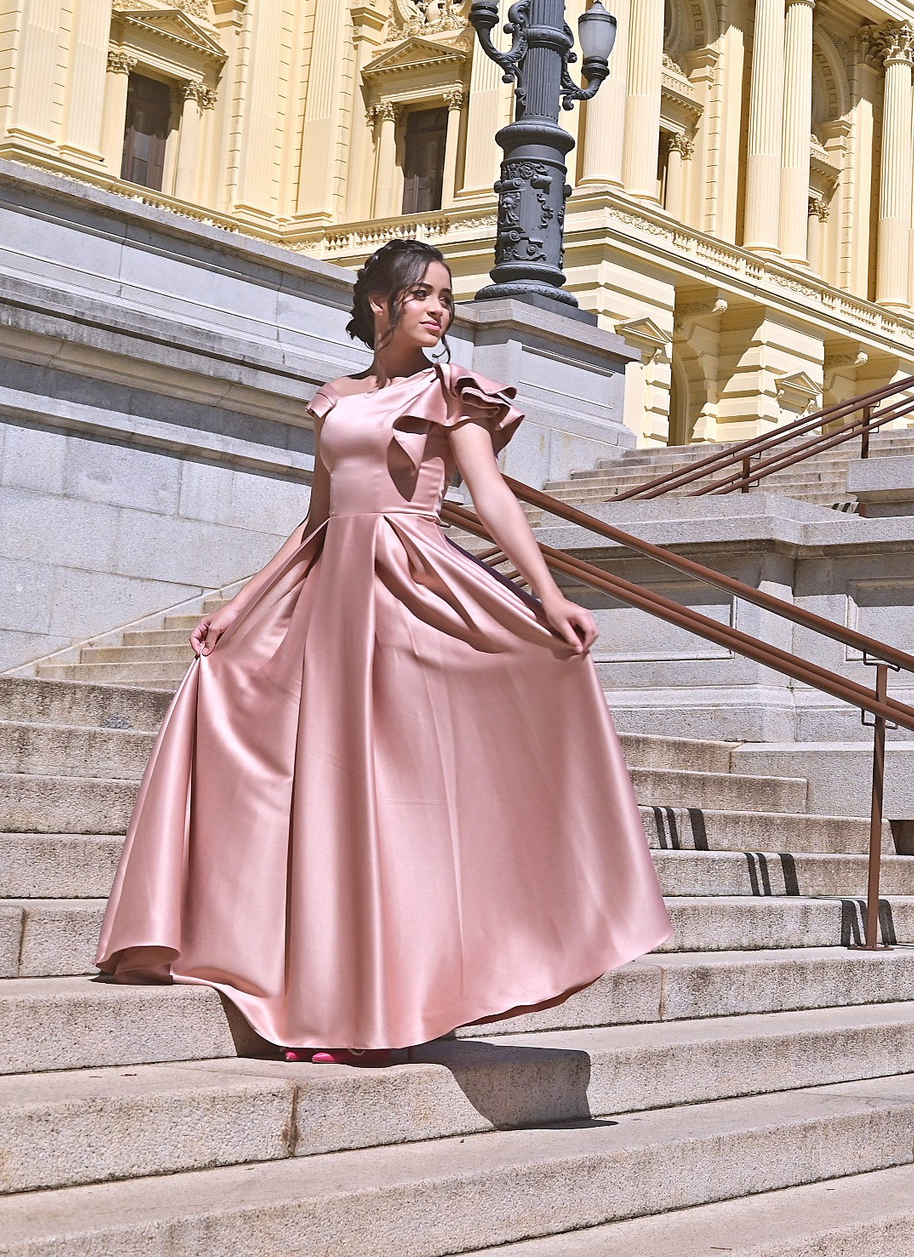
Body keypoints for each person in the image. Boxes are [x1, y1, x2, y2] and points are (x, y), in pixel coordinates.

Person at [97, 238, 671, 1063]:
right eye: (426, 295)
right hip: (333, 597)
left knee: (388, 799)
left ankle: (381, 1003)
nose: (441, 309)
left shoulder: (452, 392)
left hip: (411, 591)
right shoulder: (334, 400)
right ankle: (322, 995)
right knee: (314, 787)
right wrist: (241, 606)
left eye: (447, 297)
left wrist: (548, 595)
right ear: (381, 303)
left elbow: (493, 496)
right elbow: (317, 519)